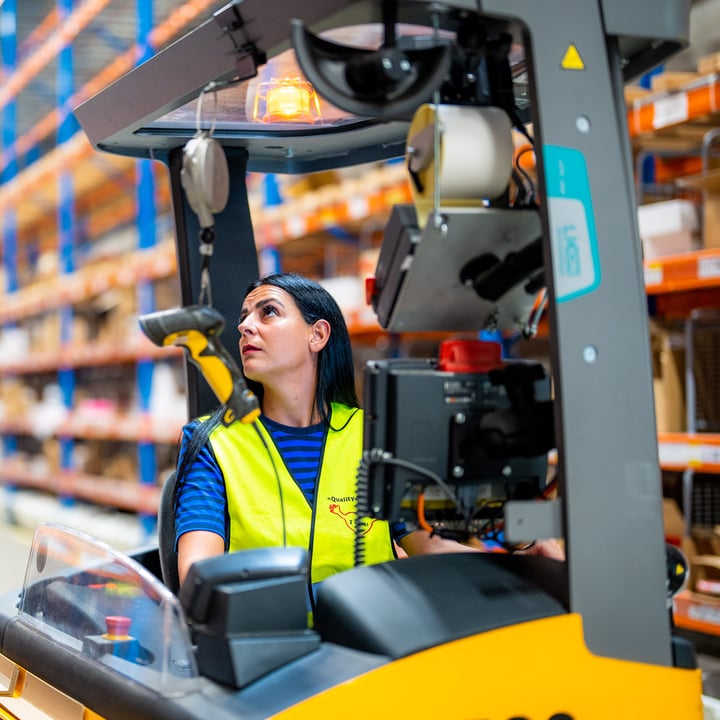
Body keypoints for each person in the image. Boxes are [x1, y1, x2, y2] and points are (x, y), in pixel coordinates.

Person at [173, 272, 563, 597]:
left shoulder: (372, 433)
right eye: (244, 317)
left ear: (318, 335)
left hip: (374, 643)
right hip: (267, 655)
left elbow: (428, 546)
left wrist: (523, 565)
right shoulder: (214, 441)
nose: (244, 326)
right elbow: (199, 573)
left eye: (268, 312)